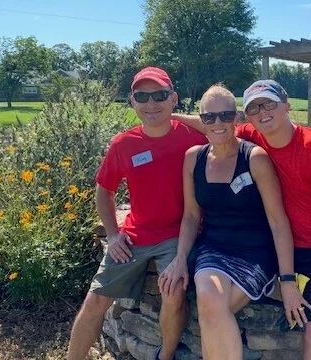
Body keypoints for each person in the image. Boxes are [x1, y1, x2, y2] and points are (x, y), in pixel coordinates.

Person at [172, 80, 311, 360]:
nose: (263, 112)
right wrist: (170, 115)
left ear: (287, 106)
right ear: (247, 117)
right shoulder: (254, 134)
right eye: (255, 107)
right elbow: (215, 122)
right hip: (302, 252)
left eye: (269, 104)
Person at [158, 84, 311, 360]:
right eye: (209, 118)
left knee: (211, 311)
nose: (218, 123)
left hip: (255, 252)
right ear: (201, 120)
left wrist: (288, 281)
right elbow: (191, 216)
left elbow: (278, 222)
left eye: (225, 116)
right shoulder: (193, 158)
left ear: (237, 118)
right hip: (213, 249)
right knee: (209, 297)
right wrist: (180, 258)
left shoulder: (254, 158)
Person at [67, 66, 208, 360]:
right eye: (142, 96)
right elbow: (104, 191)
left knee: (173, 292)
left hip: (177, 234)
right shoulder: (124, 144)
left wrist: (174, 117)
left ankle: (164, 356)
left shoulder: (192, 138)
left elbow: (227, 126)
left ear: (174, 98)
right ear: (132, 101)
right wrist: (114, 234)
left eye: (160, 95)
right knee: (95, 300)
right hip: (134, 235)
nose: (151, 103)